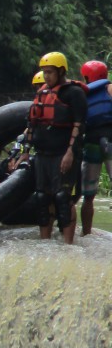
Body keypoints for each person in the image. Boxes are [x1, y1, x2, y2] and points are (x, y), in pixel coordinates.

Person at [20, 52, 87, 243]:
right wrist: (25, 153)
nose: (46, 76)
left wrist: (70, 153)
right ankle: (45, 242)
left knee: (63, 198)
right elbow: (32, 124)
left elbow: (79, 125)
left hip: (63, 154)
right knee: (43, 197)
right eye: (44, 72)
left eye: (49, 72)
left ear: (60, 71)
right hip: (43, 154)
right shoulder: (42, 93)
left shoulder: (74, 93)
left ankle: (68, 244)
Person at [79, 60, 112, 235]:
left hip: (91, 144)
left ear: (86, 77)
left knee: (89, 196)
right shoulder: (110, 89)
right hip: (111, 142)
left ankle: (86, 233)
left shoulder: (82, 94)